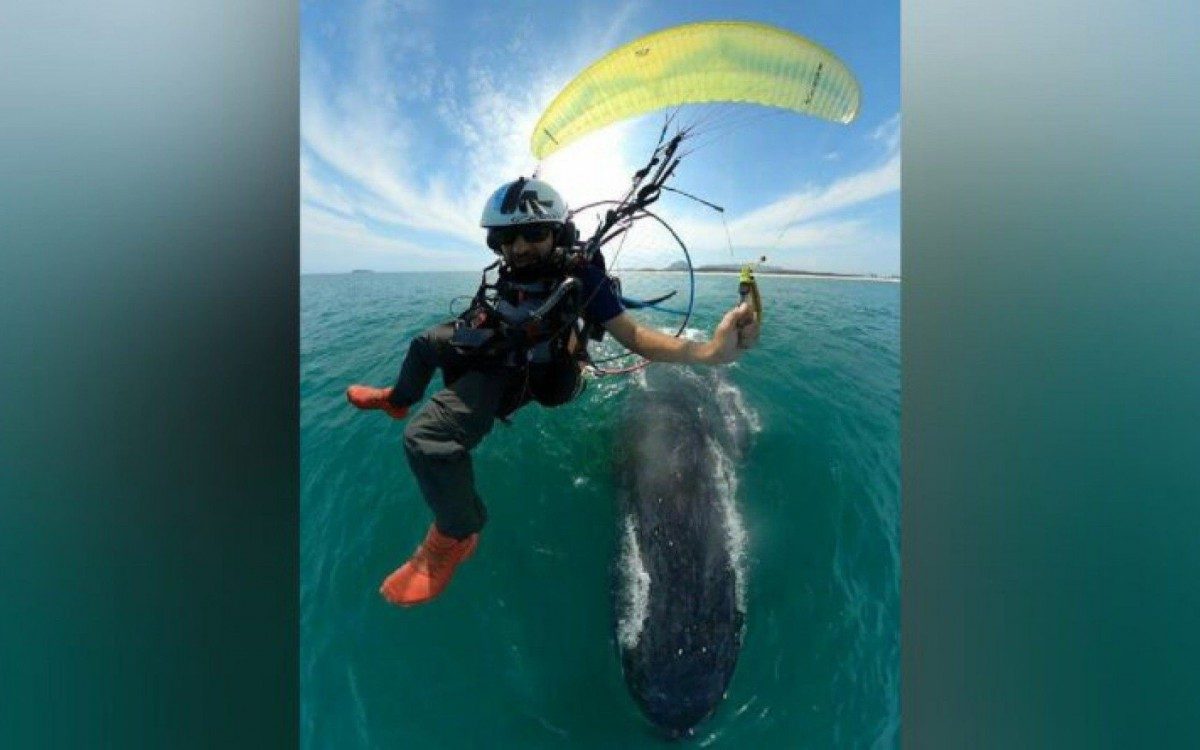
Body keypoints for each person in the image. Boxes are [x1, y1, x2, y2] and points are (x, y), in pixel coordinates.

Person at [346, 177, 760, 606]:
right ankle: (397, 399)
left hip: (530, 373)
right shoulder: (509, 271)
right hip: (498, 345)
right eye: (507, 238)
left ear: (557, 234)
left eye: (534, 234)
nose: (519, 248)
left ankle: (454, 534)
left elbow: (635, 336)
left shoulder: (582, 277)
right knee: (424, 344)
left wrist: (711, 352)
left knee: (426, 439)